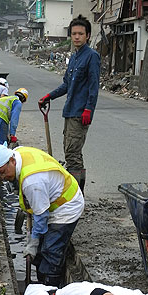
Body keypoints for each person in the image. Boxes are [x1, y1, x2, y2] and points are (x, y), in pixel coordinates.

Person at [0, 145, 84, 286]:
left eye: (3, 173)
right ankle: (41, 279)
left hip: (66, 207)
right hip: (52, 200)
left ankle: (51, 289)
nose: (3, 178)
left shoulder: (32, 182)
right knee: (40, 252)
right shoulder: (18, 152)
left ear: (11, 161)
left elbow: (41, 216)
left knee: (51, 250)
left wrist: (33, 242)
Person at [39, 15, 101, 193]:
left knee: (72, 155)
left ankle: (75, 198)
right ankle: (76, 196)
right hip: (69, 111)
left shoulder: (92, 57)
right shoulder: (74, 57)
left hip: (80, 113)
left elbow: (93, 86)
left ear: (87, 35)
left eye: (80, 34)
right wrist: (49, 96)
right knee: (71, 153)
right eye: (74, 33)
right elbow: (67, 84)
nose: (76, 37)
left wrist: (89, 108)